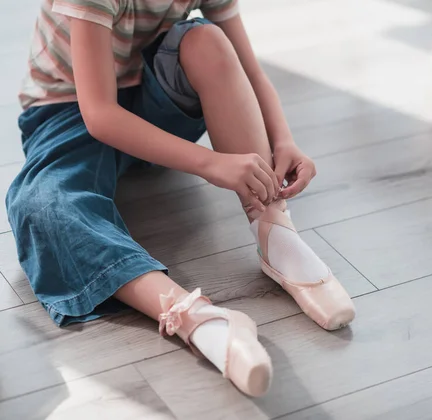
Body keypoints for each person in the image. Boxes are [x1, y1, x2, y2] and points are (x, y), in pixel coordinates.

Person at [7, 0, 356, 397]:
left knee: (207, 39)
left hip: (150, 92)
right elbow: (100, 114)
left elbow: (249, 67)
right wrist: (211, 163)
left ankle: (274, 230)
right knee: (42, 205)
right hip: (68, 109)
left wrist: (284, 140)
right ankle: (194, 316)